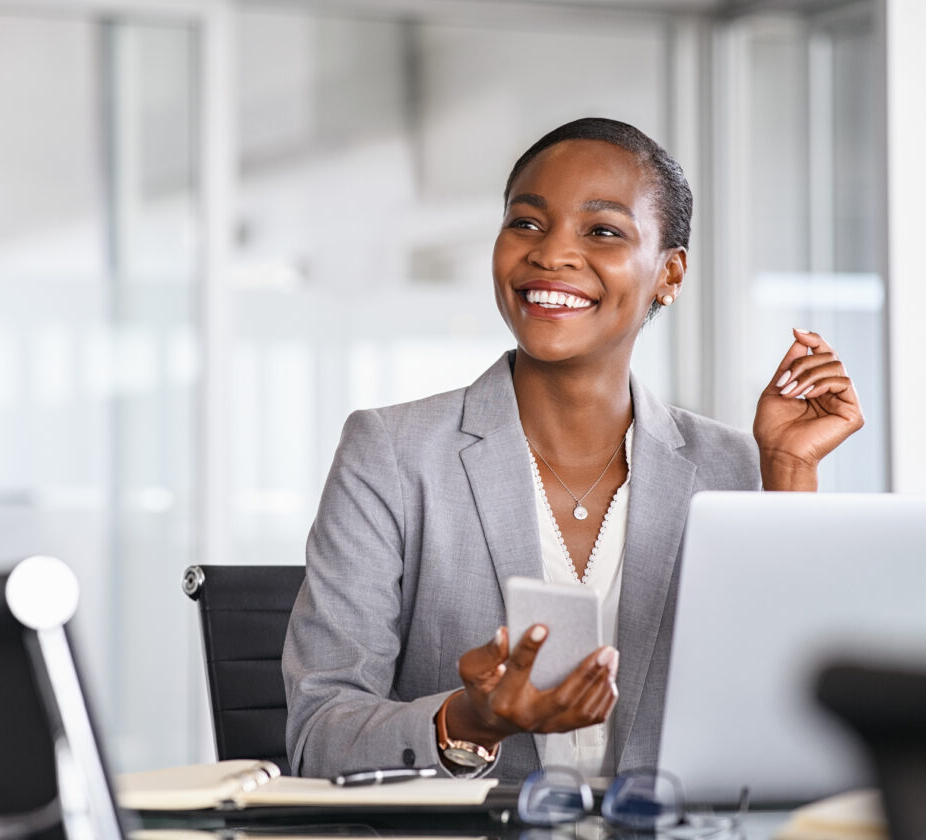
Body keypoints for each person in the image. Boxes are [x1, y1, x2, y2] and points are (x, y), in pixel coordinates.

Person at [282, 117, 864, 782]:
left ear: (669, 273)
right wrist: (470, 723)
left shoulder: (732, 467)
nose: (551, 253)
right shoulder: (391, 454)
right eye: (526, 223)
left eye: (603, 231)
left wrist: (788, 473)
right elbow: (318, 734)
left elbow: (795, 719)